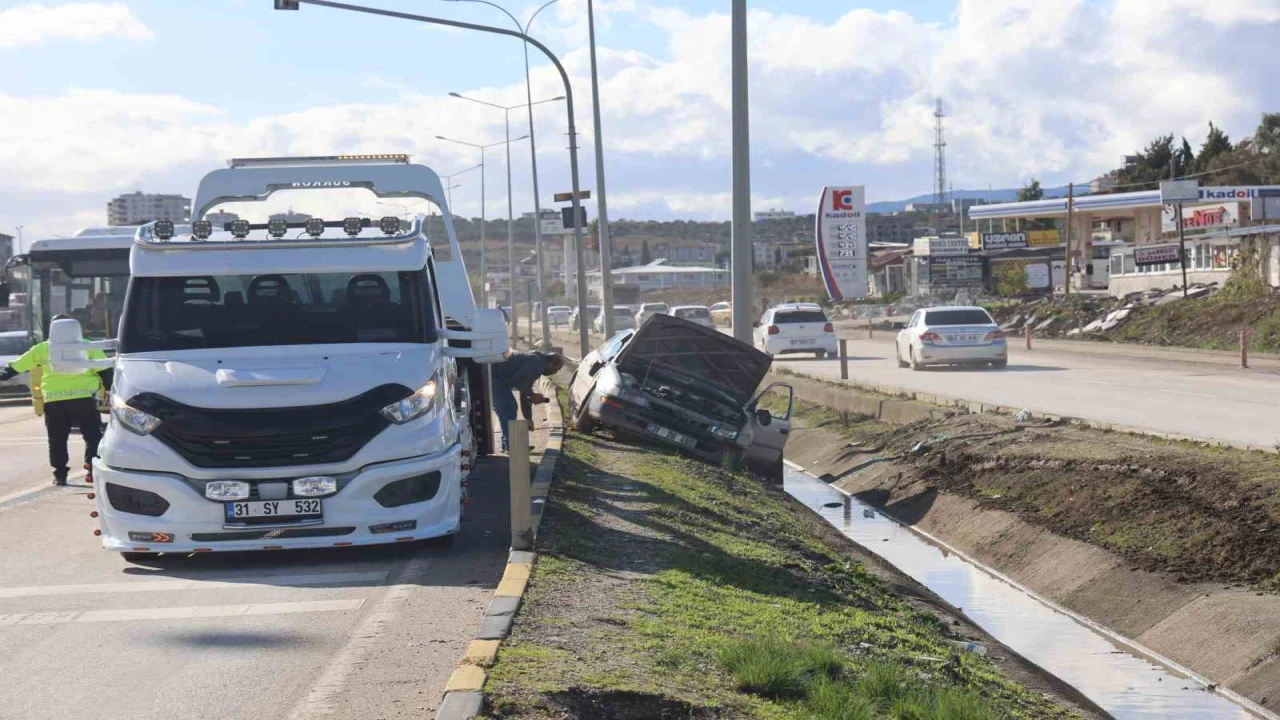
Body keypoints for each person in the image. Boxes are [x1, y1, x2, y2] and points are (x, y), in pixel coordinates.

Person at [0, 316, 111, 485]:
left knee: (57, 439)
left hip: (54, 402)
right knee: (92, 436)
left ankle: (60, 474)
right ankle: (91, 468)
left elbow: (14, 367)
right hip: (84, 400)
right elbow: (105, 370)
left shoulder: (42, 348)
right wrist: (109, 390)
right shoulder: (87, 346)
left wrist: (3, 376)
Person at [490, 351, 563, 453]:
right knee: (509, 409)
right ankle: (512, 447)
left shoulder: (537, 361)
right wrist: (532, 394)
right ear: (551, 364)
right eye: (557, 369)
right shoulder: (537, 365)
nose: (555, 373)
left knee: (508, 410)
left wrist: (528, 418)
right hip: (495, 380)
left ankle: (508, 445)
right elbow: (519, 381)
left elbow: (524, 391)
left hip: (497, 380)